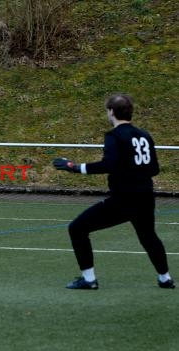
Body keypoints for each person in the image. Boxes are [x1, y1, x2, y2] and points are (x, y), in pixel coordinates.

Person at [53, 94, 174, 290]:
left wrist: (74, 167)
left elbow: (108, 164)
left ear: (111, 112)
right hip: (145, 197)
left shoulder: (114, 136)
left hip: (124, 198)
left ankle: (89, 279)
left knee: (77, 228)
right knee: (148, 237)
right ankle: (165, 278)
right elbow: (154, 169)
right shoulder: (144, 135)